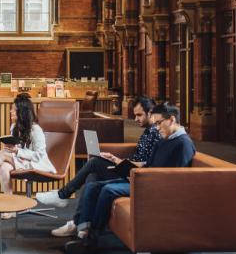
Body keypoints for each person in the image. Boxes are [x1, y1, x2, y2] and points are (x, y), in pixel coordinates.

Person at [64, 102, 196, 254]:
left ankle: (91, 241)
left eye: (159, 123)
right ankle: (82, 231)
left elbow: (176, 179)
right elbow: (149, 165)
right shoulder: (163, 140)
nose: (157, 128)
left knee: (108, 190)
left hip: (153, 187)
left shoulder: (183, 144)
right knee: (93, 186)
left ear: (172, 120)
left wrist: (141, 177)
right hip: (144, 179)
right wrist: (123, 165)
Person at [38, 96, 161, 237]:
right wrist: (118, 160)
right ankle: (80, 224)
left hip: (136, 174)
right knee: (92, 175)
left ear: (150, 113)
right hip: (129, 169)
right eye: (135, 115)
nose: (135, 119)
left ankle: (63, 196)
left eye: (139, 115)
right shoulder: (147, 132)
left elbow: (148, 164)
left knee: (95, 162)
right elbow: (140, 158)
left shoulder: (157, 134)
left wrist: (118, 162)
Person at [0, 93, 57, 220]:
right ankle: (11, 208)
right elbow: (17, 150)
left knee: (3, 154)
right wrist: (12, 148)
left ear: (22, 113)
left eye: (14, 109)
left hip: (37, 164)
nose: (11, 111)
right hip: (22, 161)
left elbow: (39, 155)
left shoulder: (36, 130)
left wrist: (16, 152)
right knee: (3, 167)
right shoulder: (14, 127)